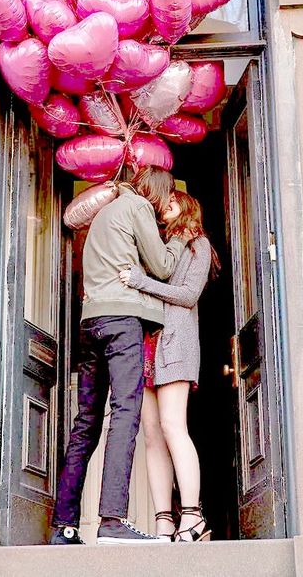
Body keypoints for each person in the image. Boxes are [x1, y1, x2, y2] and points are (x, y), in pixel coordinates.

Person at [50, 166, 187, 546]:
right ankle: (112, 520)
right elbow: (163, 265)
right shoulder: (138, 206)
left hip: (90, 321)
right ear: (157, 192)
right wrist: (175, 241)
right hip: (121, 320)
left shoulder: (103, 214)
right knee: (126, 414)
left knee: (87, 423)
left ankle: (64, 526)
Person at [119, 190, 220, 543]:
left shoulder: (198, 246)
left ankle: (192, 517)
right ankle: (164, 521)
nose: (164, 208)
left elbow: (189, 295)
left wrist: (142, 281)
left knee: (172, 425)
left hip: (176, 345)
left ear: (188, 206)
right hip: (147, 344)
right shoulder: (159, 247)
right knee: (151, 434)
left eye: (172, 202)